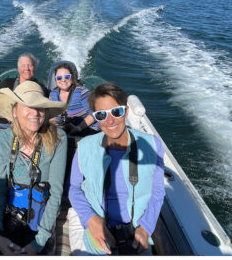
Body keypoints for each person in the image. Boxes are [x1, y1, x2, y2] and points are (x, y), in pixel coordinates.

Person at [68, 83, 165, 255]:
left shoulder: (153, 145)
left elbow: (157, 191)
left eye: (116, 111)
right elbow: (74, 188)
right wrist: (90, 219)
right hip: (95, 224)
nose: (110, 121)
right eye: (101, 115)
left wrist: (145, 228)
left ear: (126, 112)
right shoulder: (84, 148)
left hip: (136, 229)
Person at [0, 81, 68, 255]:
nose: (35, 113)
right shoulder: (3, 140)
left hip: (42, 222)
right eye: (28, 106)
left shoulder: (59, 138)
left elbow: (56, 192)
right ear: (15, 111)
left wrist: (39, 241)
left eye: (40, 107)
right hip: (10, 217)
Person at [0, 53, 50, 130]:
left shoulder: (41, 89)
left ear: (34, 68)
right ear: (19, 69)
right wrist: (9, 115)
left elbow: (44, 112)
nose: (27, 68)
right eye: (23, 65)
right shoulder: (6, 83)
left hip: (25, 127)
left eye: (30, 65)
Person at [48, 60, 99, 135]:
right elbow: (52, 117)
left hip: (87, 131)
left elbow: (94, 114)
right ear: (55, 80)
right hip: (66, 133)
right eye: (59, 78)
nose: (63, 80)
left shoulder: (81, 92)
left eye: (67, 77)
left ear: (72, 79)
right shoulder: (53, 95)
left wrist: (78, 128)